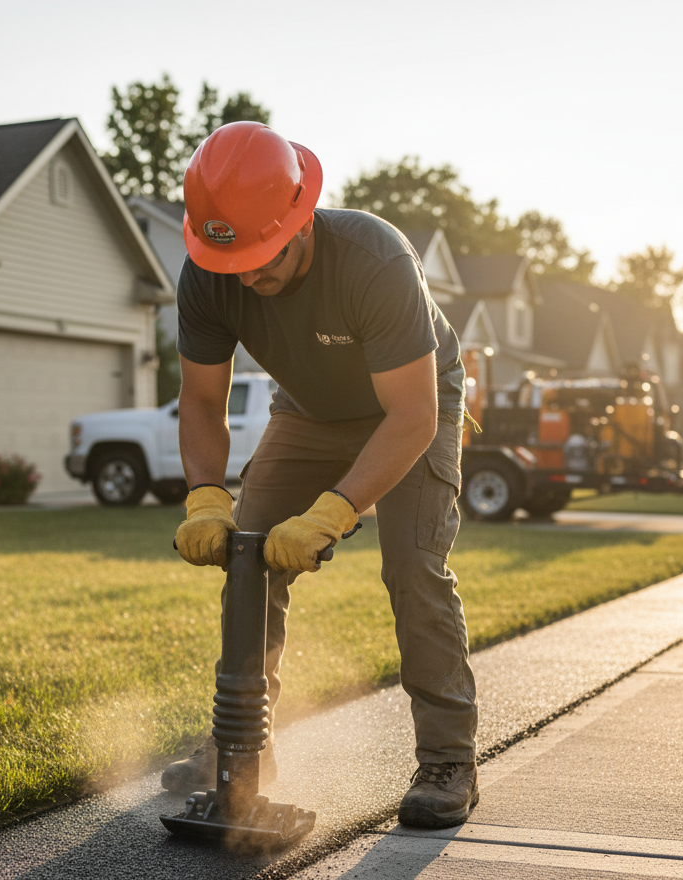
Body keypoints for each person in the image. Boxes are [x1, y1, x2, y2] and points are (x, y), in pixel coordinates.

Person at [163, 122, 478, 829]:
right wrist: (207, 496)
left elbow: (411, 416)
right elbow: (204, 404)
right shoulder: (210, 271)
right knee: (248, 553)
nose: (247, 274)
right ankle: (241, 746)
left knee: (412, 567)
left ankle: (448, 759)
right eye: (231, 257)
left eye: (262, 254)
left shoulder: (374, 258)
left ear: (301, 218)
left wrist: (333, 514)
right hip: (307, 411)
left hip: (412, 406)